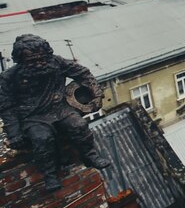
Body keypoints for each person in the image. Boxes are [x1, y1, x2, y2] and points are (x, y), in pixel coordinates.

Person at [0, 34, 110, 192]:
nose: (39, 64)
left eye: (42, 59)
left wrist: (96, 94)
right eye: (33, 61)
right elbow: (6, 106)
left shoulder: (57, 62)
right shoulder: (8, 78)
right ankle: (50, 174)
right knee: (42, 139)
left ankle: (90, 155)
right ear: (21, 60)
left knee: (78, 125)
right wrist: (14, 134)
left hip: (60, 108)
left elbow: (83, 73)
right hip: (32, 117)